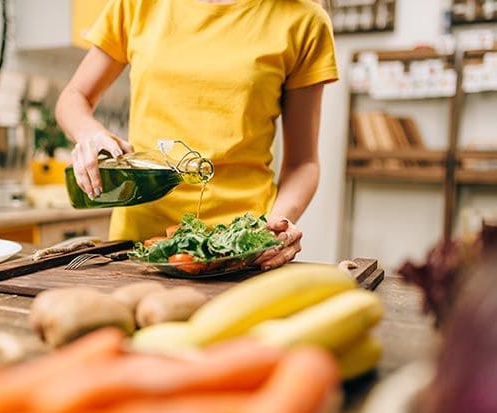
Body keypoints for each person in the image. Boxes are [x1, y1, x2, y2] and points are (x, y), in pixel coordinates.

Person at [56, 0, 338, 270]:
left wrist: (277, 225)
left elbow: (303, 163)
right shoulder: (137, 4)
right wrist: (90, 133)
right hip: (136, 249)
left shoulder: (304, 21)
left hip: (241, 251)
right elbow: (73, 97)